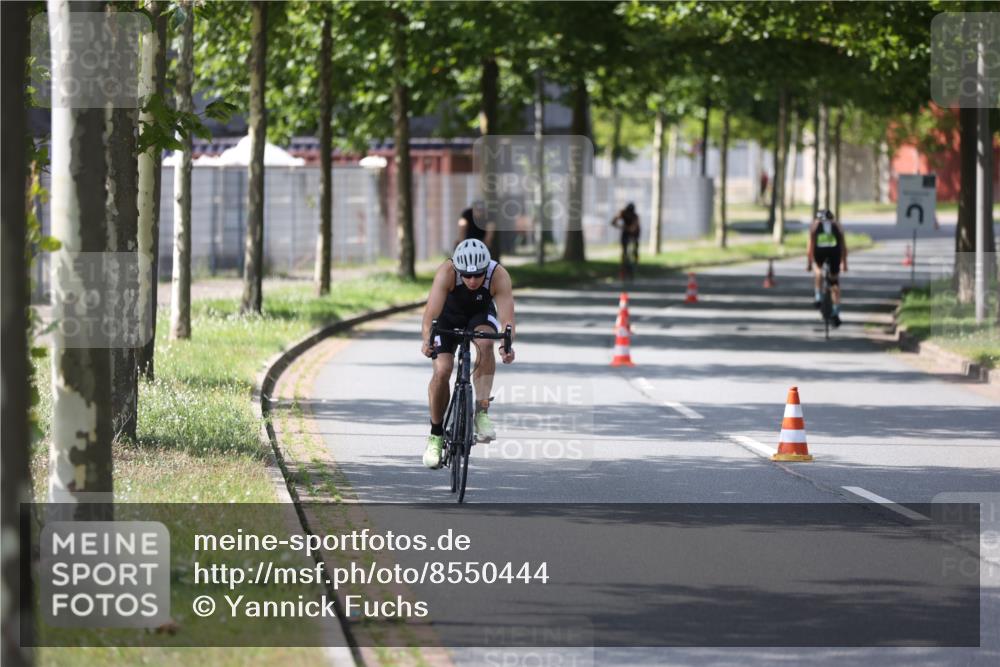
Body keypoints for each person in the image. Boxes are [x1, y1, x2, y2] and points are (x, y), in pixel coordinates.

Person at [420, 238, 516, 469]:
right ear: (458, 269)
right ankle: (435, 435)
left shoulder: (498, 275)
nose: (472, 280)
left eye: (478, 275)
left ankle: (481, 413)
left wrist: (507, 345)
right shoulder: (447, 272)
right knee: (442, 370)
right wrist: (427, 340)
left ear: (487, 268)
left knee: (485, 344)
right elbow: (429, 314)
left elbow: (507, 320)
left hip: (480, 316)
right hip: (447, 316)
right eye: (467, 275)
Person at [806, 209, 848, 327]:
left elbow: (810, 247)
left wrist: (809, 263)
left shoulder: (815, 226)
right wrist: (844, 263)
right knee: (834, 282)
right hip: (834, 254)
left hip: (819, 253)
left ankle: (818, 297)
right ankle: (836, 310)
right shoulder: (836, 226)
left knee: (818, 270)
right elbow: (843, 246)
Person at [610, 203, 640, 269]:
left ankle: (636, 259)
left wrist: (627, 228)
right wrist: (619, 226)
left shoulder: (635, 216)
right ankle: (623, 263)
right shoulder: (623, 213)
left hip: (635, 232)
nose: (629, 214)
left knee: (635, 245)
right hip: (626, 231)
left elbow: (634, 227)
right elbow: (613, 221)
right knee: (624, 248)